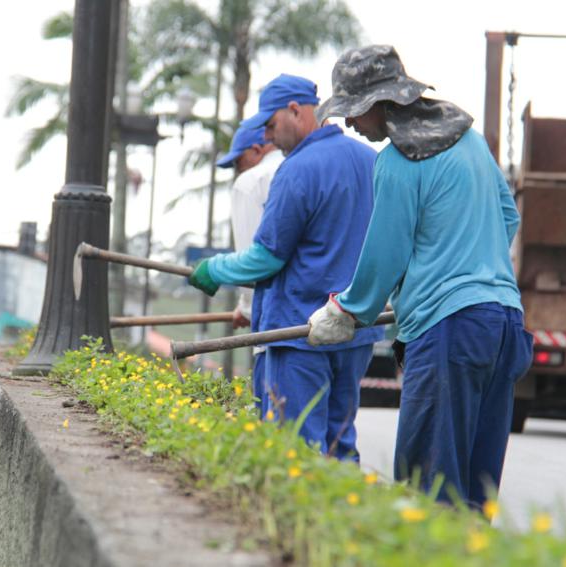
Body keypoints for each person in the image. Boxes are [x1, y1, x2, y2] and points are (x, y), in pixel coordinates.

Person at [308, 45, 533, 506]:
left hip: (448, 331)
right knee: (475, 486)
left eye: (353, 112)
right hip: (503, 324)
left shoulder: (396, 163)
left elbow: (384, 256)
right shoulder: (470, 141)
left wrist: (346, 311)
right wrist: (463, 257)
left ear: (379, 104)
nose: (349, 123)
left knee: (426, 487)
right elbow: (507, 217)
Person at [189, 74, 382, 461]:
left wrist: (213, 270)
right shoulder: (371, 161)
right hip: (355, 330)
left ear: (296, 110)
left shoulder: (297, 170)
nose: (269, 137)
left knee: (293, 451)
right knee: (339, 444)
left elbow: (265, 257)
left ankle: (293, 524)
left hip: (300, 332)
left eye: (272, 125)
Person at [216, 124, 283, 410]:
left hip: (275, 326)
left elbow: (251, 259)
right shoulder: (310, 167)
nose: (237, 171)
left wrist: (245, 308)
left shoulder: (251, 182)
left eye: (238, 162)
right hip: (328, 320)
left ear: (257, 149)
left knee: (277, 426)